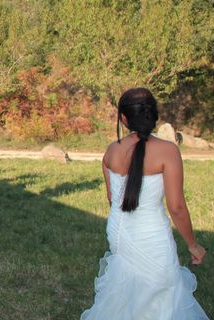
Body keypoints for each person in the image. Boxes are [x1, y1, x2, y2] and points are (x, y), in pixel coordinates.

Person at [81, 88, 208, 319]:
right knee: (162, 296)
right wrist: (193, 245)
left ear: (123, 118)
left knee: (125, 290)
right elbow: (177, 207)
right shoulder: (168, 151)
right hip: (151, 237)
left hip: (119, 232)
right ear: (154, 115)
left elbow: (112, 199)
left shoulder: (111, 151)